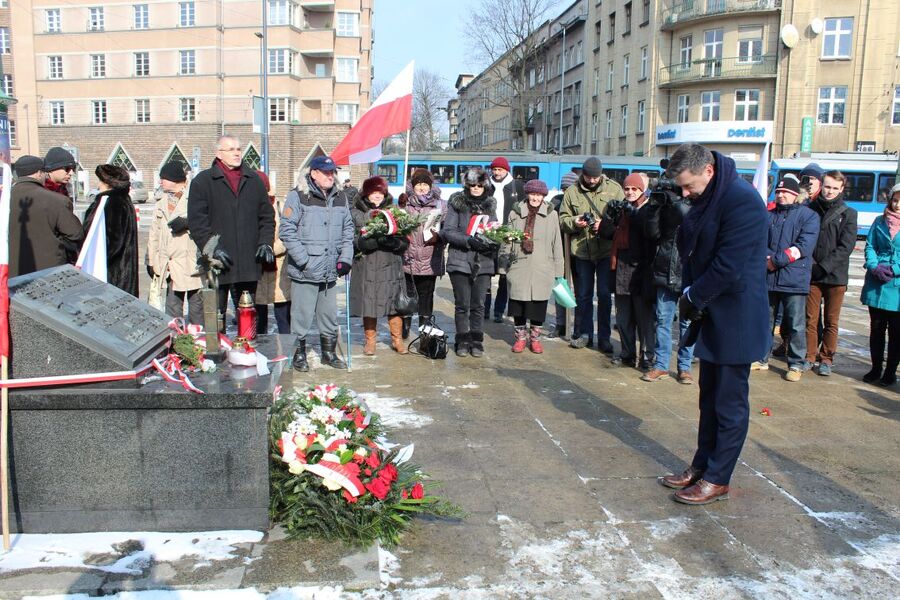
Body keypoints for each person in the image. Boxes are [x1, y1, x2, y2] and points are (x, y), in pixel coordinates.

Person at [658, 143, 768, 505]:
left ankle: (719, 477)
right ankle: (702, 464)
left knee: (730, 403)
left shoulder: (742, 200)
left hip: (736, 316)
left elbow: (728, 266)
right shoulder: (711, 195)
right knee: (709, 398)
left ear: (708, 170)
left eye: (689, 186)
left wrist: (690, 297)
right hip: (713, 313)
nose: (685, 194)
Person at [187, 135, 276, 324]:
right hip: (219, 261)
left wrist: (266, 243)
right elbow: (197, 223)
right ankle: (217, 353)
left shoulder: (254, 179)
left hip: (248, 260)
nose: (237, 153)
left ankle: (248, 352)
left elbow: (267, 217)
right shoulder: (203, 181)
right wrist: (212, 248)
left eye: (238, 149)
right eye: (231, 149)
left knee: (248, 317)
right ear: (219, 154)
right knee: (215, 319)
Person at [279, 155, 355, 371]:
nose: (331, 176)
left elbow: (348, 230)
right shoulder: (298, 196)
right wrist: (303, 260)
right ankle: (299, 354)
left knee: (329, 315)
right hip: (306, 270)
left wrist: (345, 258)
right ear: (313, 173)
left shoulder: (341, 197)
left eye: (333, 172)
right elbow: (287, 230)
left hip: (330, 269)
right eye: (326, 172)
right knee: (301, 317)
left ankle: (328, 353)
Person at [756, 175, 820, 381]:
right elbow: (759, 241)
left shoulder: (809, 216)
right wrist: (767, 259)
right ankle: (761, 358)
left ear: (796, 195)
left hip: (794, 279)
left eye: (785, 192)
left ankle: (796, 364)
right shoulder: (769, 215)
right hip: (769, 278)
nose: (781, 195)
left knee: (795, 324)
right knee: (765, 321)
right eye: (778, 192)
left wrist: (775, 260)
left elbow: (803, 246)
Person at [559, 156, 624, 352]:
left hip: (605, 251)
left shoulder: (614, 189)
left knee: (604, 295)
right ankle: (585, 334)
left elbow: (623, 219)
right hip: (582, 250)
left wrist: (604, 225)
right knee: (584, 295)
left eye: (595, 177)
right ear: (583, 174)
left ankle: (604, 338)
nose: (592, 181)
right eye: (588, 177)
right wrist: (574, 222)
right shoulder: (572, 192)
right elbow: (563, 219)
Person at [642, 170, 695, 384]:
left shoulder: (696, 203)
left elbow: (693, 227)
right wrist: (655, 208)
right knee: (663, 321)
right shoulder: (664, 205)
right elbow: (652, 234)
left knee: (687, 322)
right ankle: (661, 365)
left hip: (687, 271)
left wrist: (676, 205)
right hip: (664, 269)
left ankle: (685, 367)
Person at [499, 179, 563, 354]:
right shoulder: (515, 212)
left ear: (543, 196)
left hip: (543, 265)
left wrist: (559, 270)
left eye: (539, 195)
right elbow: (506, 239)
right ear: (527, 194)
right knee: (518, 303)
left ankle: (535, 338)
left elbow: (557, 243)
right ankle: (520, 337)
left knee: (538, 305)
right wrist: (503, 265)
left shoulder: (551, 214)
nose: (535, 198)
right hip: (518, 264)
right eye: (532, 194)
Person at [599, 173, 656, 371]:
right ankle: (627, 353)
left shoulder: (649, 208)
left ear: (642, 190)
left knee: (644, 319)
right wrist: (609, 217)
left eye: (634, 189)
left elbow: (651, 234)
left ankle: (647, 357)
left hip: (641, 271)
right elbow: (605, 234)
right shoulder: (621, 207)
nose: (630, 192)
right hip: (620, 268)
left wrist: (636, 216)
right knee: (623, 318)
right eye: (627, 189)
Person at [804, 170, 858, 376]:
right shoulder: (810, 209)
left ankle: (826, 358)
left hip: (835, 276)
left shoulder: (849, 213)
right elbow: (804, 239)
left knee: (831, 321)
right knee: (810, 318)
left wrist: (823, 266)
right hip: (812, 274)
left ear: (842, 189)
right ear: (821, 185)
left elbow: (846, 247)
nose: (829, 191)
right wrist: (811, 265)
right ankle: (809, 355)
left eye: (835, 188)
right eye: (827, 186)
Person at [350, 176, 409, 355]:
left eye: (380, 192)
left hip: (389, 264)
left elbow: (404, 239)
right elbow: (348, 237)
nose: (377, 196)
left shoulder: (394, 212)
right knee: (369, 302)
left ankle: (397, 340)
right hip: (366, 264)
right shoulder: (356, 213)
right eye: (373, 192)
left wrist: (395, 244)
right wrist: (362, 243)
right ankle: (370, 341)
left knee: (394, 303)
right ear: (366, 194)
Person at [442, 167, 497, 357]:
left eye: (479, 184)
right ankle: (462, 340)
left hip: (483, 261)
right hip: (460, 260)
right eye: (472, 184)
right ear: (467, 184)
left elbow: (495, 228)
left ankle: (477, 341)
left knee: (479, 304)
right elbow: (447, 231)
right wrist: (468, 240)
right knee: (462, 304)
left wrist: (491, 240)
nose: (475, 188)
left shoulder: (490, 205)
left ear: (485, 185)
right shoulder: (457, 203)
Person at [9, 155, 84, 277]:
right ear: (39, 173)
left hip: (12, 274)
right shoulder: (56, 200)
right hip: (49, 273)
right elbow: (75, 234)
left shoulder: (4, 200)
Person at [146, 161, 203, 323]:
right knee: (172, 308)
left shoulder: (194, 198)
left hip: (191, 263)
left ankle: (198, 342)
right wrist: (152, 261)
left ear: (175, 179)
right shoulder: (161, 203)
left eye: (163, 178)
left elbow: (208, 221)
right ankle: (176, 343)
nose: (160, 181)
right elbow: (153, 235)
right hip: (169, 264)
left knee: (197, 309)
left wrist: (189, 223)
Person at [860, 183, 900, 387]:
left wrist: (896, 269)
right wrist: (874, 266)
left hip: (897, 284)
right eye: (895, 200)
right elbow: (870, 246)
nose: (898, 204)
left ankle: (890, 371)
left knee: (896, 332)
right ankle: (876, 368)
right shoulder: (879, 221)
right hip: (877, 282)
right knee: (876, 329)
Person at [400, 168, 447, 338]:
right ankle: (405, 325)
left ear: (430, 186)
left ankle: (424, 327)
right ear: (413, 186)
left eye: (425, 184)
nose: (422, 187)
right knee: (408, 294)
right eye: (418, 184)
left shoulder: (441, 205)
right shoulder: (406, 204)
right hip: (409, 257)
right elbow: (398, 226)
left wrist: (440, 237)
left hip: (430, 257)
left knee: (426, 295)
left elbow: (447, 229)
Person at [83, 165, 139, 296]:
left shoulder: (109, 202)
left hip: (110, 273)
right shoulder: (124, 200)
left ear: (108, 183)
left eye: (100, 181)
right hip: (124, 271)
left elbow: (111, 241)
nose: (98, 185)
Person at [484, 156, 525, 323]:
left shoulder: (517, 186)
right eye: (494, 169)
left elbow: (523, 208)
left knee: (503, 274)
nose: (496, 172)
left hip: (508, 234)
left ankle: (499, 310)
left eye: (499, 169)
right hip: (488, 233)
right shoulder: (486, 186)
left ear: (506, 170)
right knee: (486, 272)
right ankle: (485, 309)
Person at [254, 170, 292, 335]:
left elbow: (289, 232)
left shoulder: (280, 205)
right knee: (258, 315)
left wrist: (272, 248)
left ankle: (287, 349)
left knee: (283, 315)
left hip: (279, 266)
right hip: (257, 266)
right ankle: (260, 349)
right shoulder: (248, 206)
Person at [549, 170, 579, 339]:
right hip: (560, 252)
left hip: (577, 251)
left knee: (580, 291)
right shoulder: (556, 202)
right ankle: (561, 323)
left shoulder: (579, 202)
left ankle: (578, 326)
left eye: (570, 188)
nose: (567, 191)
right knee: (561, 287)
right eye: (564, 188)